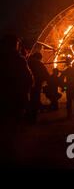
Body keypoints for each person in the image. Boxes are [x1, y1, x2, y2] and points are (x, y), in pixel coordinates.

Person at [0, 35, 33, 164]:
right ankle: (9, 155)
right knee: (12, 130)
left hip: (5, 98)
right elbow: (28, 80)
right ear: (15, 45)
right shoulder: (18, 60)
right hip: (14, 99)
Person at [27, 52, 50, 122]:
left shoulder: (28, 62)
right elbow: (46, 74)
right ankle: (33, 117)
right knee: (35, 99)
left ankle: (30, 115)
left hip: (28, 84)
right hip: (36, 83)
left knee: (31, 99)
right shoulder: (39, 64)